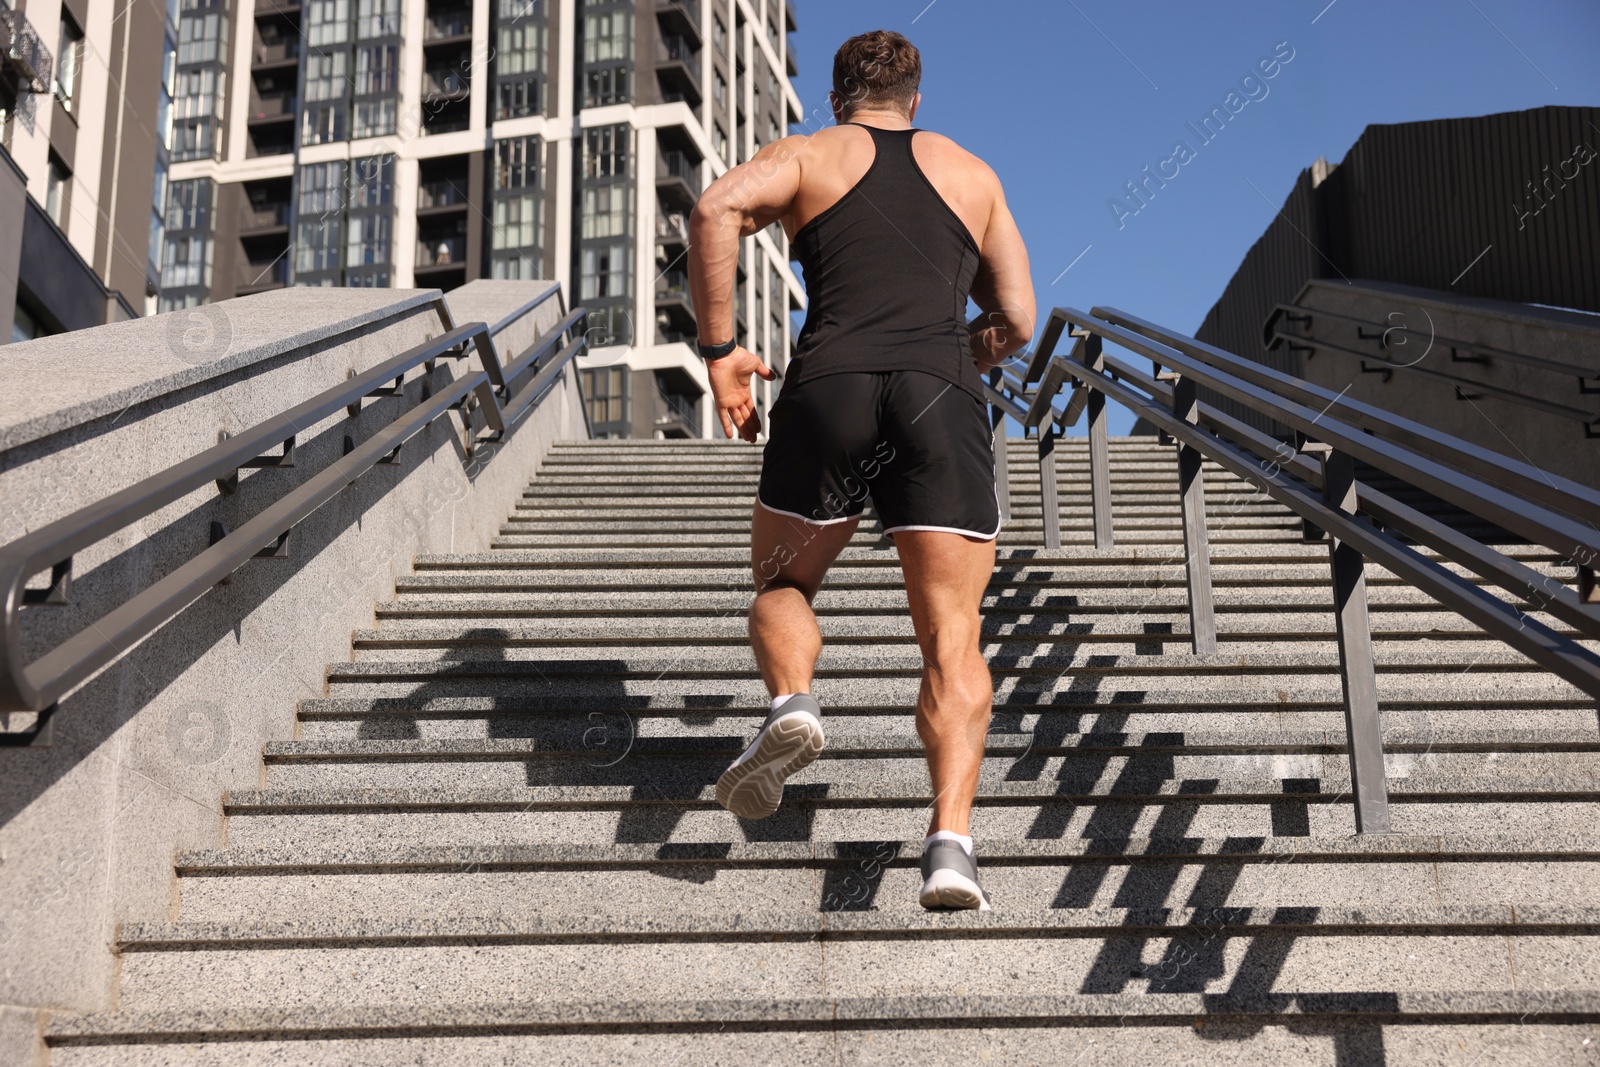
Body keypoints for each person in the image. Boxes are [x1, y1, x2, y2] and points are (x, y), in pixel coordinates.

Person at [686, 29, 1035, 910]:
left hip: (831, 385)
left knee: (782, 582)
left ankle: (793, 703)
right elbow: (1019, 321)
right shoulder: (976, 175)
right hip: (940, 398)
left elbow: (714, 210)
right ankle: (951, 842)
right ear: (916, 101)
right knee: (952, 636)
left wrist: (723, 350)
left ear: (839, 98)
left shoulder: (810, 153)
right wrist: (950, 355)